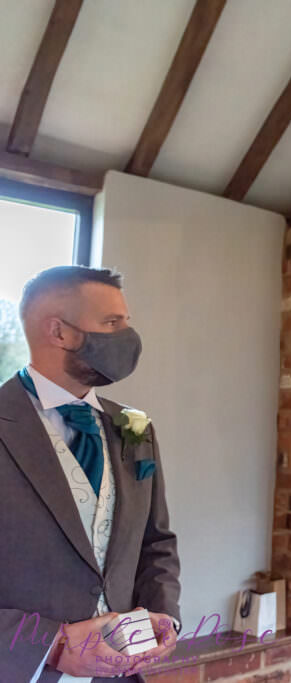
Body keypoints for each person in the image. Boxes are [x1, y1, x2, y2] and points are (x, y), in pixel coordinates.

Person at [0, 266, 180, 681]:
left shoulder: (135, 428)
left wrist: (163, 614)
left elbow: (157, 542)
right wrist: (52, 645)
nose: (127, 338)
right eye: (112, 324)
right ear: (58, 332)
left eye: (126, 323)